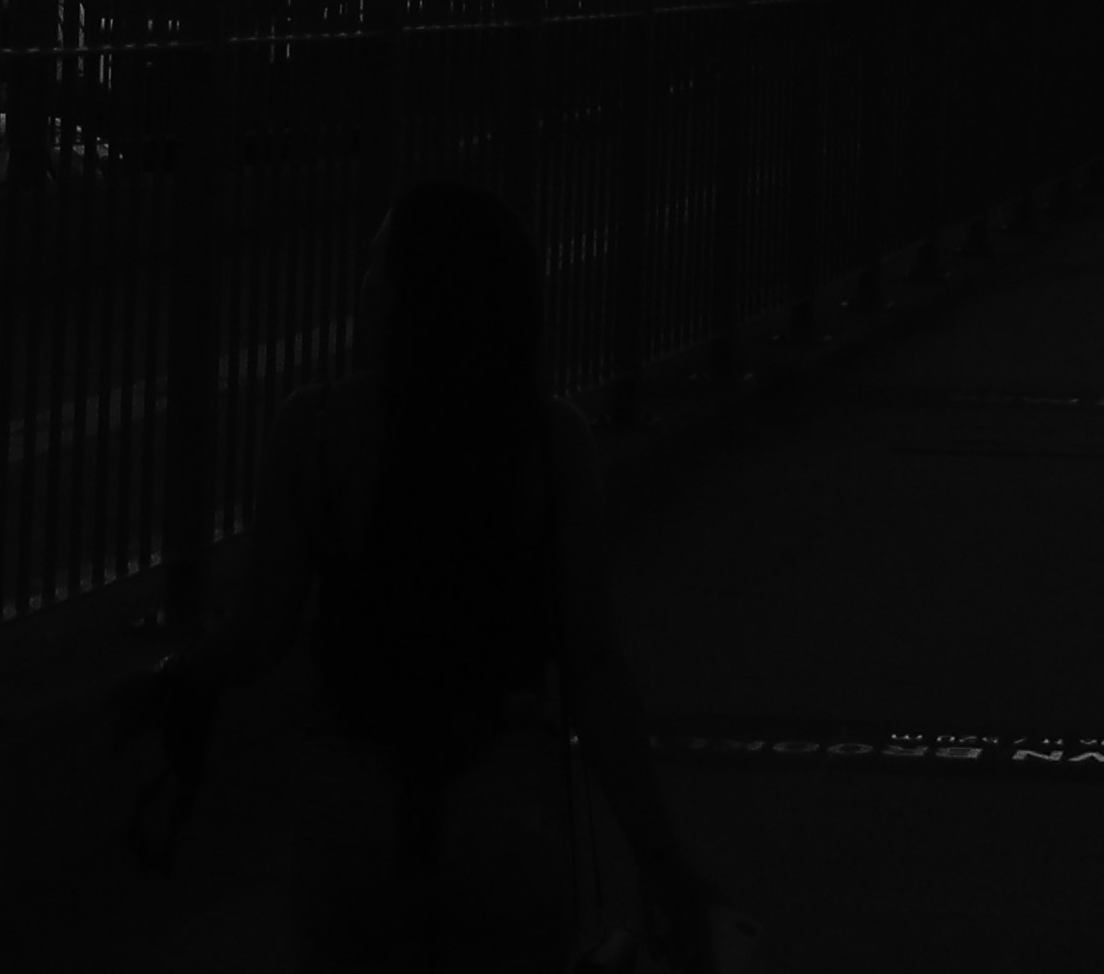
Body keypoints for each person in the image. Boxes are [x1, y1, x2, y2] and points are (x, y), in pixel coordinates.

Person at [125, 182, 720, 971]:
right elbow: (595, 668)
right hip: (505, 805)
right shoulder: (551, 444)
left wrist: (176, 679)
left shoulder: (314, 431)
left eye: (379, 264)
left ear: (404, 299)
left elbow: (261, 634)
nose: (363, 282)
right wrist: (658, 856)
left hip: (350, 805)